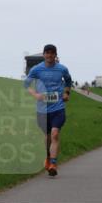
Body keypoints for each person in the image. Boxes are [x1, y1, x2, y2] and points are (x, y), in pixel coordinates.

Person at [24, 44, 72, 177]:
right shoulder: (36, 69)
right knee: (47, 137)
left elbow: (68, 81)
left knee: (55, 134)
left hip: (58, 107)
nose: (49, 55)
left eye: (52, 53)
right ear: (44, 54)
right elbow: (26, 84)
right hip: (42, 109)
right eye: (47, 53)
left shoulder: (62, 69)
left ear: (55, 55)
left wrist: (67, 93)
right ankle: (47, 157)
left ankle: (53, 163)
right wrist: (35, 95)